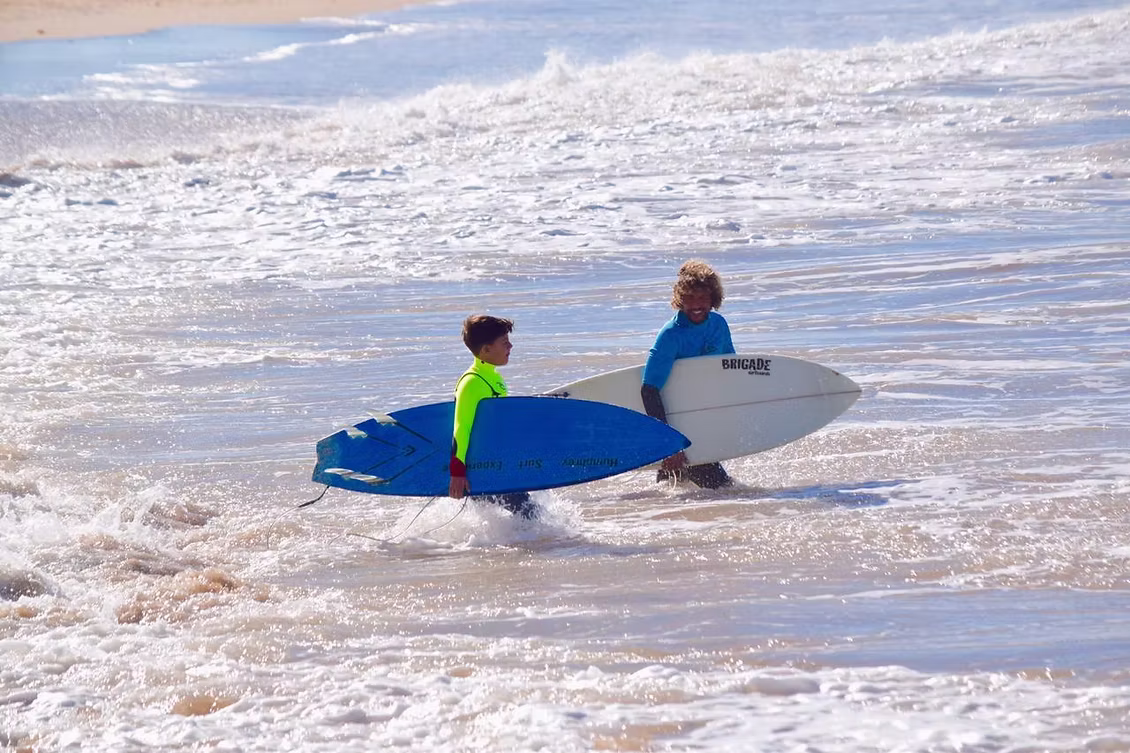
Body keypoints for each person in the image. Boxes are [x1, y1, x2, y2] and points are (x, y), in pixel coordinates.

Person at [641, 260, 735, 489]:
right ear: (679, 299)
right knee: (726, 492)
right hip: (677, 433)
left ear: (713, 298)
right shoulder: (671, 336)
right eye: (689, 298)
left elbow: (730, 370)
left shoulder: (719, 325)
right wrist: (669, 445)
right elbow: (649, 390)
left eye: (702, 297)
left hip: (701, 425)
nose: (695, 305)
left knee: (684, 501)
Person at [448, 314, 538, 518]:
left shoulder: (495, 378)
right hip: (481, 468)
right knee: (531, 515)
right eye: (505, 342)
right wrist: (457, 472)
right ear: (486, 349)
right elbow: (461, 427)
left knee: (527, 516)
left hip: (496, 464)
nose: (511, 346)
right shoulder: (472, 382)